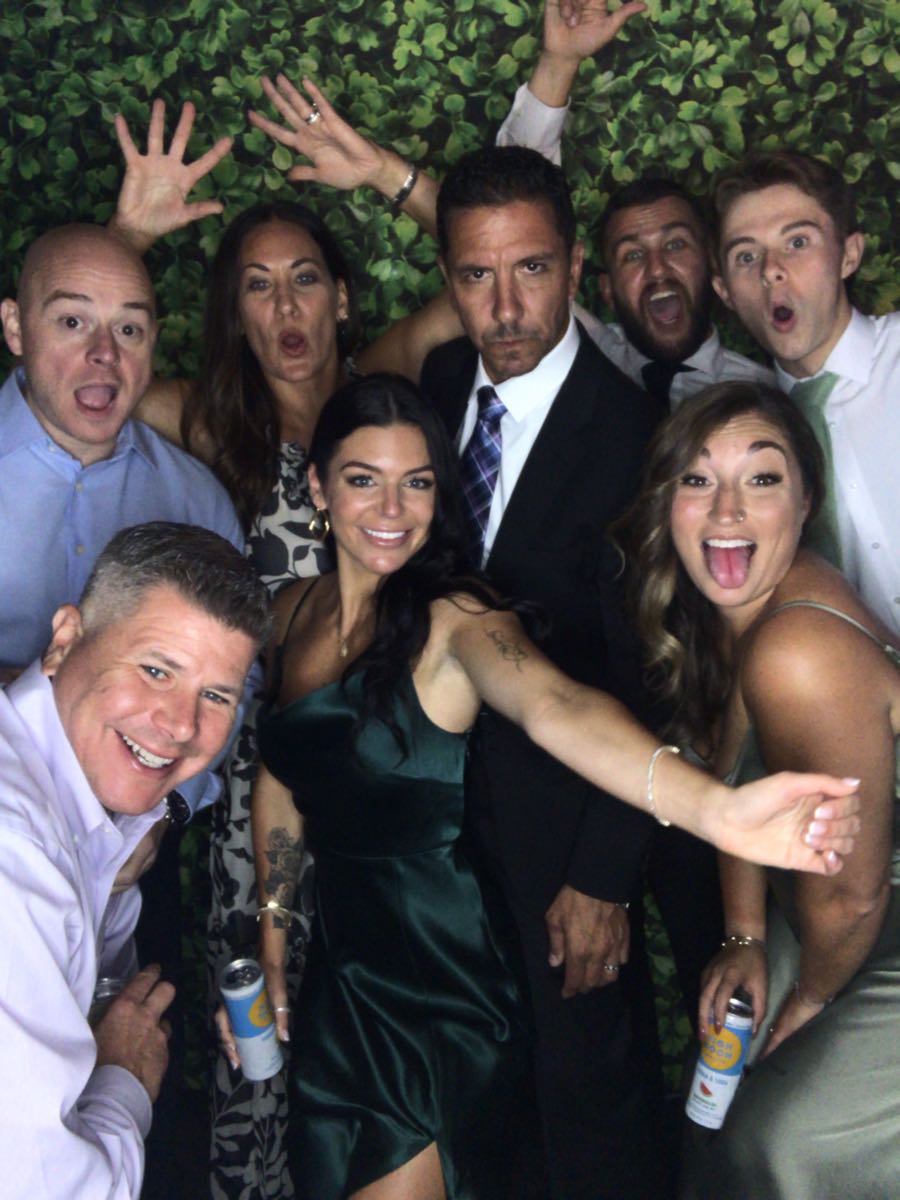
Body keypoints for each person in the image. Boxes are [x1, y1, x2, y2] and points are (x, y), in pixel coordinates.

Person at [217, 373, 860, 1200]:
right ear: (317, 486)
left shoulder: (456, 621)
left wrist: (719, 810)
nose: (392, 509)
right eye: (363, 479)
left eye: (418, 483)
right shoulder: (288, 616)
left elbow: (561, 708)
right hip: (340, 985)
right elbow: (283, 775)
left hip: (439, 993)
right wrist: (274, 936)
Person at [110, 103, 367, 1198]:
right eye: (257, 286)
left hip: (386, 758)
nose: (286, 306)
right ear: (234, 313)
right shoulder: (210, 421)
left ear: (341, 296)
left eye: (304, 278)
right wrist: (127, 238)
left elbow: (482, 294)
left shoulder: (385, 399)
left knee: (372, 1021)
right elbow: (74, 378)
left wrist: (384, 173)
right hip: (250, 778)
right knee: (256, 1034)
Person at [621, 381, 899, 1198]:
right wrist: (744, 936)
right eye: (698, 478)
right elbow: (736, 781)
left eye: (762, 478)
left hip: (867, 908)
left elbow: (851, 898)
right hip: (842, 907)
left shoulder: (796, 651)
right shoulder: (741, 608)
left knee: (777, 1142)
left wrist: (806, 1003)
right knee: (715, 1090)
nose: (727, 511)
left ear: (806, 500)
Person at [0, 522, 269, 1200]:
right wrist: (124, 1077)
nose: (181, 725)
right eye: (156, 670)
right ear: (65, 640)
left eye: (216, 696)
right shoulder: (17, 856)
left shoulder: (103, 816)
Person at [494, 0, 774, 407]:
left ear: (714, 265)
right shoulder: (579, 352)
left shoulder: (766, 396)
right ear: (607, 290)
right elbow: (509, 212)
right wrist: (559, 63)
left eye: (675, 245)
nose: (657, 269)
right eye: (632, 255)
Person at [710, 149, 899, 635]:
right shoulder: (753, 435)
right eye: (746, 255)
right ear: (725, 291)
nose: (771, 269)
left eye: (797, 242)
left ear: (848, 255)